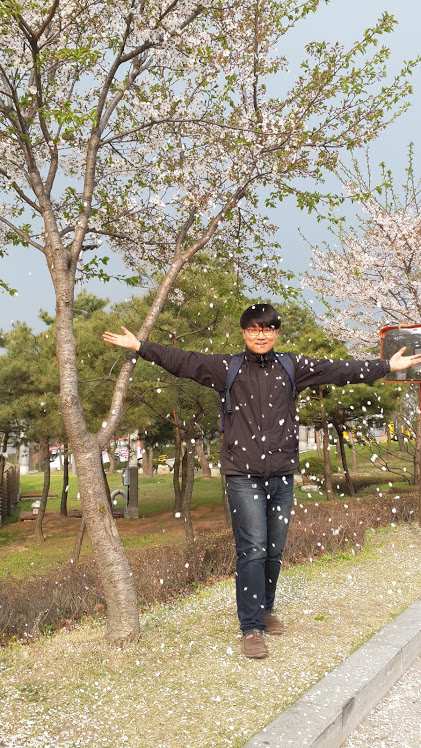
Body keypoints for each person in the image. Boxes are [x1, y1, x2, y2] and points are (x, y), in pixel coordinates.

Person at [103, 303, 421, 659]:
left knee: (274, 549)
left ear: (276, 333)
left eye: (268, 329)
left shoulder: (292, 366)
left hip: (282, 472)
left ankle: (266, 610)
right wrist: (140, 347)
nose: (261, 335)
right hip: (243, 474)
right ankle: (251, 627)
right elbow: (184, 360)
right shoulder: (227, 367)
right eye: (254, 329)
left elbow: (337, 370)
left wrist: (385, 366)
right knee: (252, 549)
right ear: (244, 333)